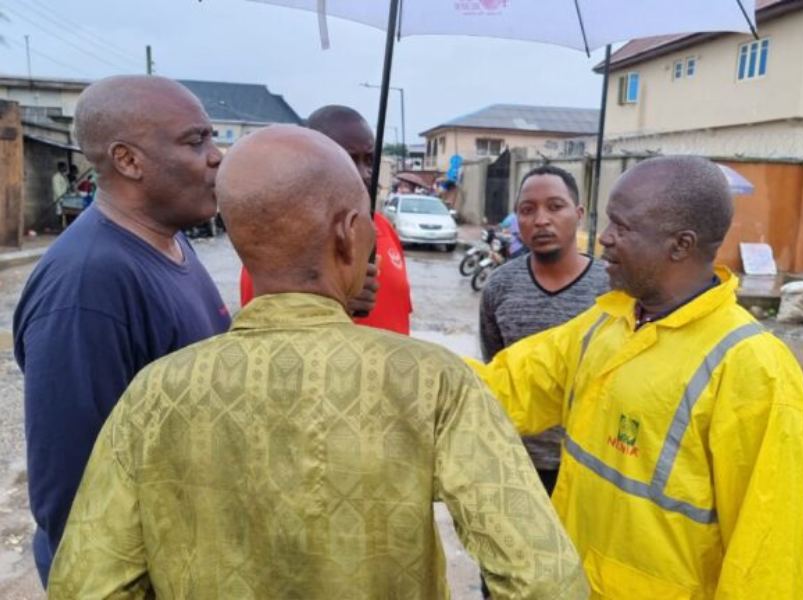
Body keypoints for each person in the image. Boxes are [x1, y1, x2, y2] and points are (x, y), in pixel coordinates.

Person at [48, 125, 589, 599]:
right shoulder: (434, 382)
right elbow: (545, 577)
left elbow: (87, 585)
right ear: (344, 233)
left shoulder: (154, 394)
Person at [468, 156, 803, 598]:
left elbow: (769, 558)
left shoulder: (751, 366)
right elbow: (503, 387)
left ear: (680, 245)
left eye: (622, 227)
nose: (604, 238)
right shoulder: (608, 324)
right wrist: (386, 369)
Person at [13, 75, 231, 586]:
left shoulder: (172, 245)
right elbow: (72, 493)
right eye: (195, 141)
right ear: (128, 161)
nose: (216, 157)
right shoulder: (88, 285)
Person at [480, 165, 609, 495]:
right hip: (517, 465)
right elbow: (499, 374)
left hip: (591, 463)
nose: (540, 220)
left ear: (578, 213)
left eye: (555, 206)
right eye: (527, 210)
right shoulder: (499, 287)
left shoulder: (613, 291)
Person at [240, 105, 412, 335]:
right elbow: (260, 340)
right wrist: (334, 307)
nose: (363, 173)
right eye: (348, 160)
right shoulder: (276, 245)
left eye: (369, 161)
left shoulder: (384, 228)